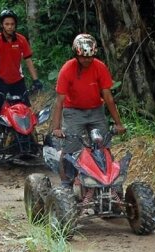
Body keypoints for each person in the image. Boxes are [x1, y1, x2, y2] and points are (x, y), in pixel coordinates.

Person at [49, 33, 126, 187]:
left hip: (95, 110)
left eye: (90, 57)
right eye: (84, 57)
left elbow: (108, 97)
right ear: (76, 55)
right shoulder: (67, 69)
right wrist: (57, 128)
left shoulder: (99, 67)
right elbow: (60, 101)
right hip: (73, 111)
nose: (87, 60)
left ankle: (107, 182)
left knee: (103, 145)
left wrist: (118, 124)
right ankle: (67, 181)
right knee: (71, 147)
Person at [0, 9, 42, 137]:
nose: (10, 27)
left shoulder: (21, 40)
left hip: (17, 81)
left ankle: (32, 141)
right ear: (2, 25)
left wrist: (36, 80)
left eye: (12, 24)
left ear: (15, 25)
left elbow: (29, 61)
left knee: (26, 110)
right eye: (7, 24)